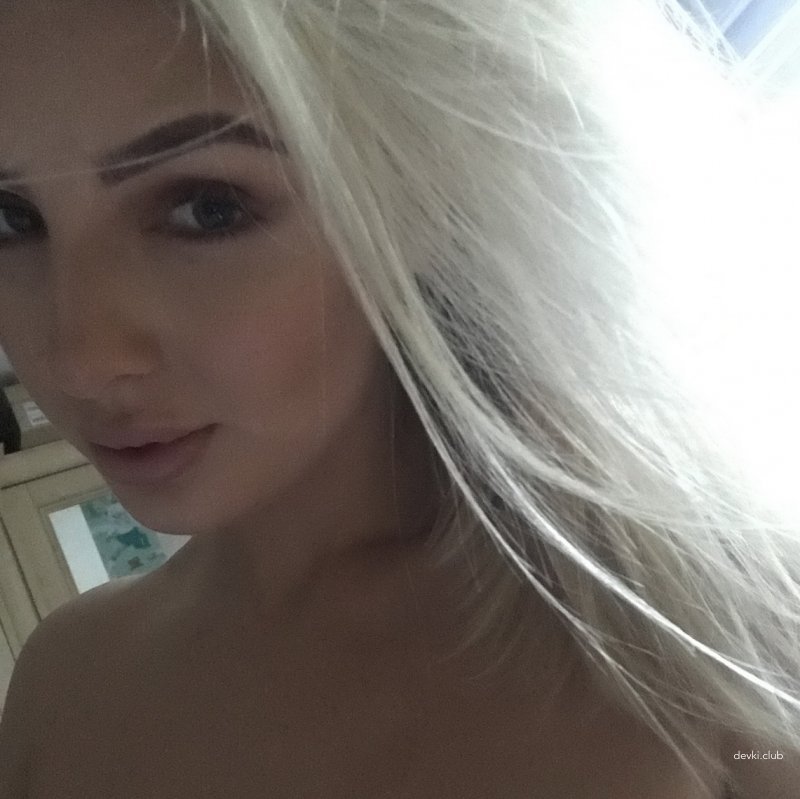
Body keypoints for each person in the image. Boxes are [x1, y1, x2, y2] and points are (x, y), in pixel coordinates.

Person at [0, 1, 797, 796]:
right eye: (11, 218)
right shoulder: (62, 691)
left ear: (423, 196)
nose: (79, 360)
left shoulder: (733, 662)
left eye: (208, 208)